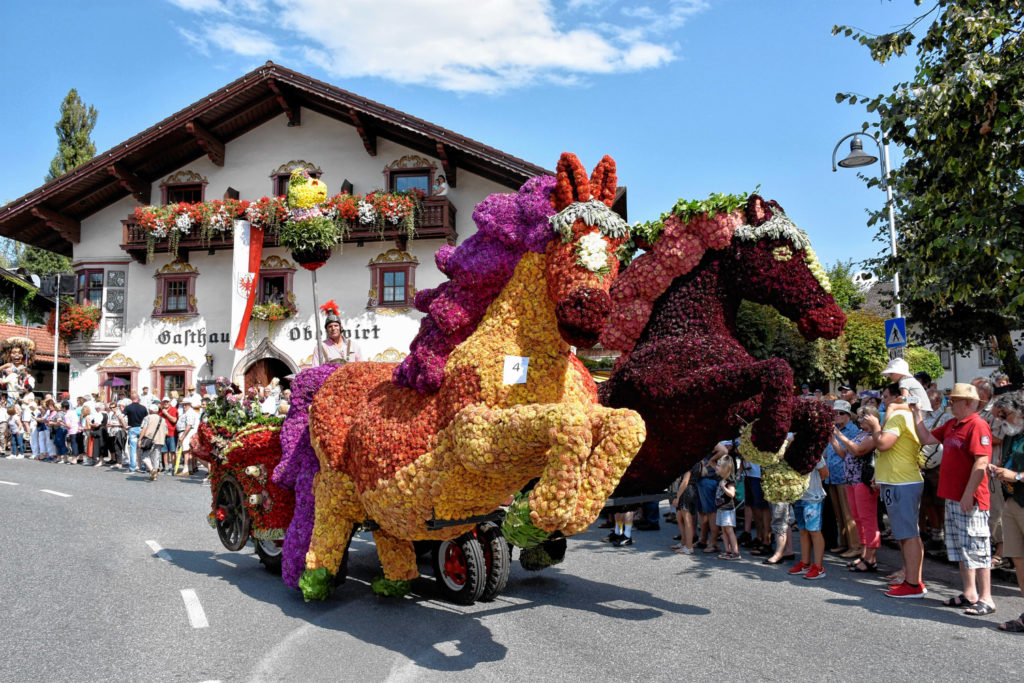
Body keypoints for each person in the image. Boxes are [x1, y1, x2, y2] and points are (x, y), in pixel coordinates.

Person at [910, 383, 995, 615]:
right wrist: (917, 413)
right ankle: (970, 593)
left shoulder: (977, 425)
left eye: (953, 400)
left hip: (971, 499)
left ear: (968, 403)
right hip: (954, 497)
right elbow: (926, 438)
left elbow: (981, 462)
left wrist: (968, 494)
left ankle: (986, 597)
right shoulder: (952, 424)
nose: (950, 404)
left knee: (978, 547)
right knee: (960, 547)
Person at [863, 383, 926, 598]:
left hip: (903, 481)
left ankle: (914, 584)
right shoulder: (898, 416)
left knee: (909, 534)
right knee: (903, 534)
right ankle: (910, 578)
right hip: (895, 480)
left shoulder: (900, 417)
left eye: (887, 397)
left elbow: (883, 444)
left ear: (899, 398)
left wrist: (874, 426)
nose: (883, 401)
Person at [987, 391, 1024, 632]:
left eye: (1005, 414)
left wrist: (1018, 476)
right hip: (1013, 500)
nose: (1002, 420)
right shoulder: (1013, 433)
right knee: (1019, 560)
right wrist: (999, 470)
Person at [833, 405, 882, 572]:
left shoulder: (874, 435)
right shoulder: (861, 433)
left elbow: (858, 450)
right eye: (860, 417)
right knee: (858, 518)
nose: (861, 420)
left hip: (864, 480)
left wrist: (838, 434)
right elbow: (845, 454)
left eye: (864, 417)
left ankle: (871, 557)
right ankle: (864, 553)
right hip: (851, 480)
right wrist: (832, 439)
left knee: (867, 519)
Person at [823, 399, 861, 558]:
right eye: (835, 413)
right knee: (839, 514)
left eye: (841, 413)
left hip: (845, 476)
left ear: (848, 415)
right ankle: (844, 543)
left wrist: (833, 437)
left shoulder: (852, 431)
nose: (837, 416)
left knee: (848, 513)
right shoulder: (836, 429)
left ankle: (855, 545)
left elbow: (845, 454)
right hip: (832, 476)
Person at [788, 457, 829, 580]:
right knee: (803, 530)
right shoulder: (792, 449)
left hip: (813, 498)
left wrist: (812, 486)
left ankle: (818, 567)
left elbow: (825, 473)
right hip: (799, 496)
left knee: (814, 531)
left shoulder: (814, 451)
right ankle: (805, 564)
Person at [671, 462, 701, 555]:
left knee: (687, 520)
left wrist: (678, 498)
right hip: (689, 490)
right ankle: (684, 543)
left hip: (686, 491)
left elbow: (685, 482)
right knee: (679, 516)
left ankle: (689, 547)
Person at [715, 457, 740, 560]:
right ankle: (727, 550)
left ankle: (735, 552)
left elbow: (732, 494)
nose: (716, 467)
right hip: (721, 508)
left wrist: (724, 488)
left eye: (718, 466)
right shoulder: (722, 479)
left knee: (729, 530)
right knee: (723, 531)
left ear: (725, 468)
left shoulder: (729, 481)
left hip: (728, 509)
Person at [313, 300, 350, 364]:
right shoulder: (320, 348)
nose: (333, 328)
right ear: (326, 330)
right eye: (330, 326)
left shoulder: (353, 346)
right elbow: (315, 370)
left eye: (336, 325)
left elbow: (362, 369)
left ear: (340, 328)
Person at [138, 403, 168, 481]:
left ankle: (152, 470)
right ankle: (154, 475)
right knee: (156, 458)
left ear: (150, 410)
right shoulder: (163, 419)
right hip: (160, 440)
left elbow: (144, 429)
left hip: (149, 440)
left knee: (144, 457)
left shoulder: (147, 417)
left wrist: (140, 439)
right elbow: (166, 432)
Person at [123, 393, 149, 473]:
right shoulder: (143, 408)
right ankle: (144, 466)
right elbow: (147, 419)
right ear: (138, 398)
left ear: (132, 399)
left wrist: (125, 426)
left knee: (133, 449)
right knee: (142, 448)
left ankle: (132, 467)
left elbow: (121, 416)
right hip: (142, 428)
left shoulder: (128, 407)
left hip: (133, 428)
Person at [177, 395, 201, 476]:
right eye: (183, 404)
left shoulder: (190, 413)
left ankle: (186, 469)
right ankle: (189, 468)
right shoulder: (186, 412)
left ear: (189, 405)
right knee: (187, 451)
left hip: (187, 433)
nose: (184, 406)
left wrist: (182, 436)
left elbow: (189, 425)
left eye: (185, 404)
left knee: (186, 451)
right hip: (185, 432)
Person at [158, 397, 177, 473]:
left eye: (167, 402)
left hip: (172, 433)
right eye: (164, 402)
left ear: (169, 402)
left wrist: (166, 413)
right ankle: (166, 467)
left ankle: (173, 467)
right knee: (164, 451)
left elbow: (174, 420)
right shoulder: (160, 412)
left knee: (172, 451)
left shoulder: (173, 409)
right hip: (163, 434)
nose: (165, 403)